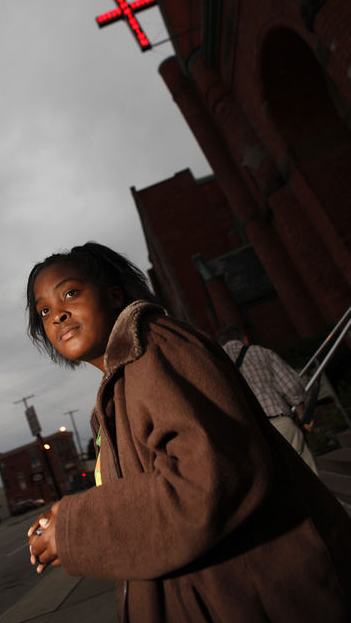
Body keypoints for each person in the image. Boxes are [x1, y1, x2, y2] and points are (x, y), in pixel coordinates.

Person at [25, 242, 351, 623]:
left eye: (70, 293)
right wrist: (63, 518)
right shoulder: (114, 398)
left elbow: (212, 480)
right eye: (44, 311)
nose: (58, 315)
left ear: (114, 296)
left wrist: (77, 528)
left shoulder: (156, 346)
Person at [218, 325, 318, 474]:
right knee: (307, 473)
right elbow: (291, 386)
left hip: (249, 437)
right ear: (245, 339)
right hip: (279, 423)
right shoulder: (261, 353)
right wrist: (302, 414)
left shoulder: (218, 364)